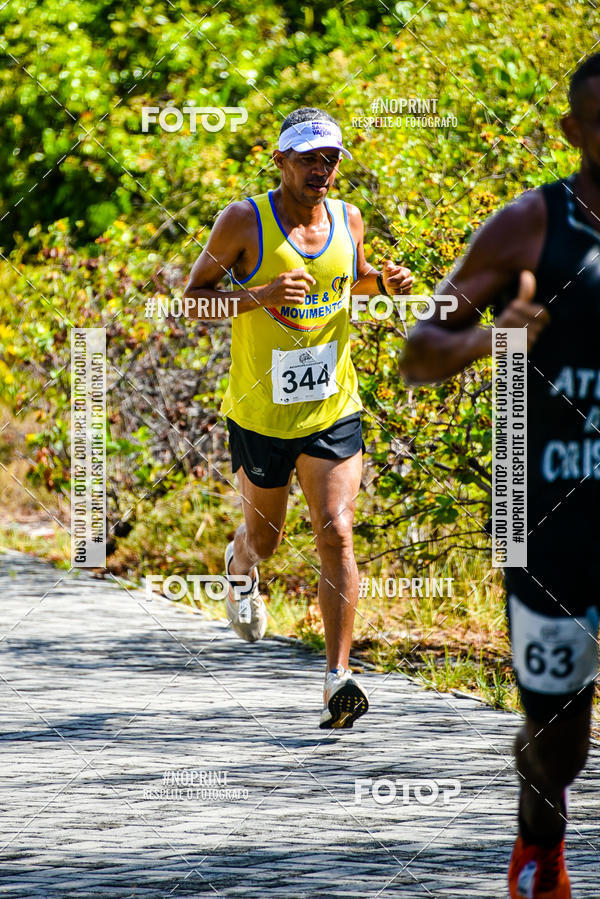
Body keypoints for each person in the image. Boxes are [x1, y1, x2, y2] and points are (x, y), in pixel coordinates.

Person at [399, 53, 600, 898]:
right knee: (561, 746)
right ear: (573, 131)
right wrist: (497, 338)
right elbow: (417, 353)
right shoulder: (530, 225)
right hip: (547, 515)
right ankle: (538, 839)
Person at [184, 107, 412, 728]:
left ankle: (338, 677)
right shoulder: (243, 221)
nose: (321, 170)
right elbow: (193, 301)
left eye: (330, 159)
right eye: (309, 158)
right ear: (280, 160)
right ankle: (240, 564)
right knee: (267, 539)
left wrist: (383, 283)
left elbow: (350, 282)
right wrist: (260, 295)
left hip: (332, 407)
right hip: (260, 413)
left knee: (336, 529)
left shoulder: (348, 218)